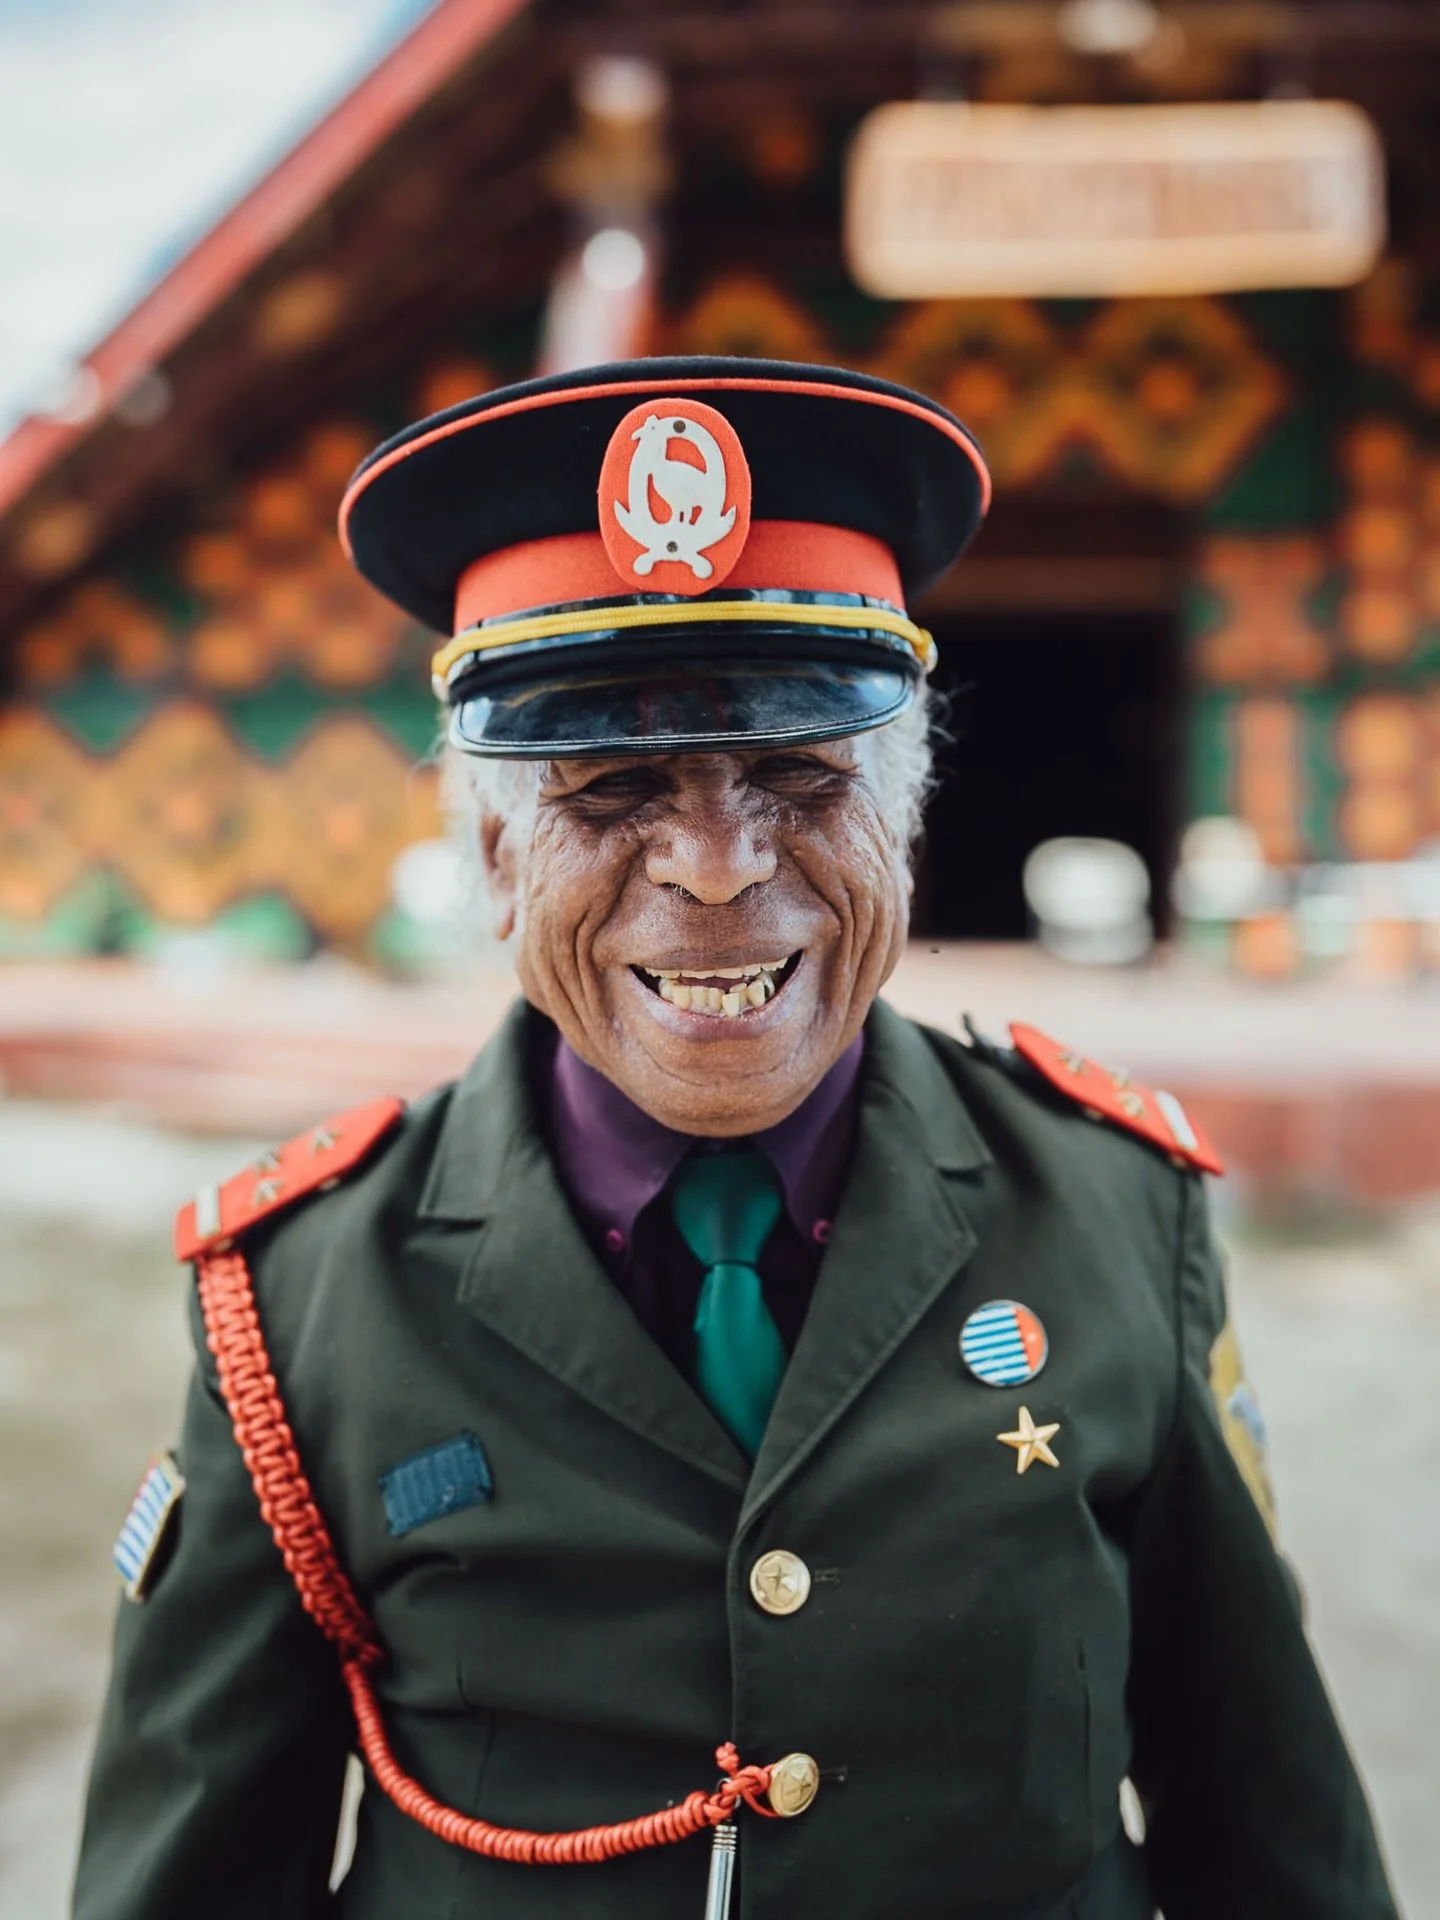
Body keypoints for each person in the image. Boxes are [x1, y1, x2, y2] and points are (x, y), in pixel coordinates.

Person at [75, 358, 1397, 1920]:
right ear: (494, 856)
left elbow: (1273, 1829)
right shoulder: (299, 1294)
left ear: (903, 819)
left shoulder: (1115, 1209)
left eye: (799, 773)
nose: (715, 865)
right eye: (614, 788)